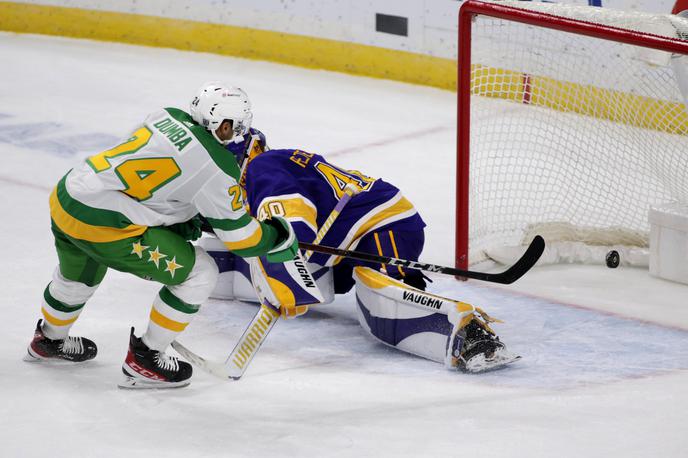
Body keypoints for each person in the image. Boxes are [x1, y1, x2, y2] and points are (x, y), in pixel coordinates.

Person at [24, 82, 299, 389]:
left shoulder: (165, 116)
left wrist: (175, 217)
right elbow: (240, 238)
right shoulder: (218, 168)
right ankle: (146, 358)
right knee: (200, 273)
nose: (239, 134)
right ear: (223, 125)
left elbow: (148, 181)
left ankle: (48, 340)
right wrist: (277, 238)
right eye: (237, 126)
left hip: (70, 196)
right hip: (107, 224)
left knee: (80, 273)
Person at [199, 130, 519, 373]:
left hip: (383, 223)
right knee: (307, 273)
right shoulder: (273, 165)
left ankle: (473, 334)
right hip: (350, 237)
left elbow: (294, 222)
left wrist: (283, 269)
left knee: (377, 299)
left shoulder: (262, 168)